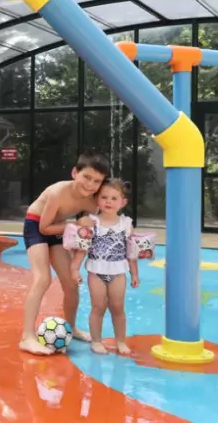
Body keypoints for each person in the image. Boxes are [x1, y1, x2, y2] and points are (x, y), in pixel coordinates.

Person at [19, 150, 109, 356]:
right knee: (42, 278)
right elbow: (44, 228)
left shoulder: (92, 202)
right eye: (86, 177)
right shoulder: (57, 193)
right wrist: (76, 224)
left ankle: (71, 327)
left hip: (60, 228)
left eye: (96, 181)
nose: (90, 185)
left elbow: (83, 236)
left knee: (71, 283)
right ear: (74, 173)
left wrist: (75, 265)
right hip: (36, 225)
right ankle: (26, 337)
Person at [70, 178, 139, 355]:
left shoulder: (126, 224)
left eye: (114, 198)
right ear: (97, 200)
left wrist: (134, 274)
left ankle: (120, 341)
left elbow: (131, 251)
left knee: (117, 307)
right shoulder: (92, 222)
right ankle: (96, 341)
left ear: (123, 202)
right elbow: (82, 248)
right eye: (104, 197)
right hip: (96, 272)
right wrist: (74, 269)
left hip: (118, 272)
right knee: (98, 306)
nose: (109, 201)